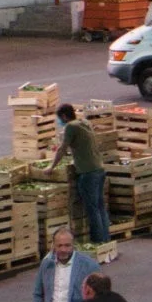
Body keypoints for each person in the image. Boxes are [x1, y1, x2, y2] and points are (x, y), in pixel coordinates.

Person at [48, 104, 110, 243]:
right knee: (100, 206)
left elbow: (62, 149)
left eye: (59, 118)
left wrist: (51, 167)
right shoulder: (85, 122)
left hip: (88, 172)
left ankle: (98, 241)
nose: (60, 121)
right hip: (99, 169)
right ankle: (106, 239)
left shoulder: (71, 127)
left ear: (64, 116)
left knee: (92, 209)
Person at [31, 229, 99, 302]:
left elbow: (100, 297)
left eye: (67, 245)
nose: (63, 249)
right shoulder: (46, 264)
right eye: (59, 246)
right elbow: (38, 294)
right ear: (53, 245)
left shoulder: (89, 265)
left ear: (74, 245)